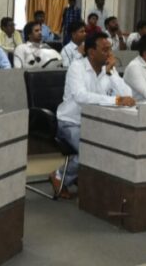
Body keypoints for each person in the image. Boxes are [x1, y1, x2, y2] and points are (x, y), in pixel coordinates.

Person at [52, 32, 135, 198]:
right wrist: (116, 100)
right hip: (72, 122)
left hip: (97, 122)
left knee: (113, 146)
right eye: (105, 50)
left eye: (110, 49)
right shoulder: (77, 67)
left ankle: (89, 180)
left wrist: (112, 73)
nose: (110, 54)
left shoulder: (107, 69)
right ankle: (59, 175)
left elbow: (128, 95)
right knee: (89, 150)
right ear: (91, 52)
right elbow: (81, 97)